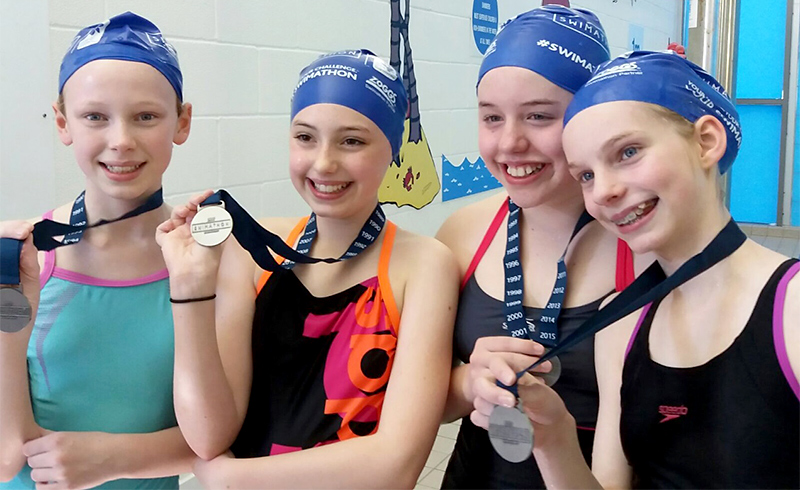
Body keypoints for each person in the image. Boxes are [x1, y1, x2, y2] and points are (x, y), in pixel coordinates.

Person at [472, 51, 799, 489]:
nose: (604, 191)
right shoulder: (619, 325)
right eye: (585, 175)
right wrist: (554, 439)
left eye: (627, 152)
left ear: (706, 142)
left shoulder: (792, 311)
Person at [155, 49, 459, 489]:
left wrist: (232, 478)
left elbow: (395, 466)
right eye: (305, 137)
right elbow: (208, 434)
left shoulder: (423, 266)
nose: (323, 163)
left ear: (392, 149)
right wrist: (190, 288)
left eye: (352, 141)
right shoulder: (255, 250)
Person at [436, 6, 646, 489]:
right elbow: (428, 399)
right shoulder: (463, 233)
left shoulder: (643, 249)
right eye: (491, 117)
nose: (510, 142)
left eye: (538, 116)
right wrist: (470, 382)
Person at [0, 12, 195, 489]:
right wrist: (9, 311)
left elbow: (222, 437)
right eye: (95, 117)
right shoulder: (22, 258)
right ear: (64, 122)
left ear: (181, 122)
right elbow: (6, 455)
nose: (121, 141)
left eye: (146, 116)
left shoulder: (202, 261)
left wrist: (114, 459)